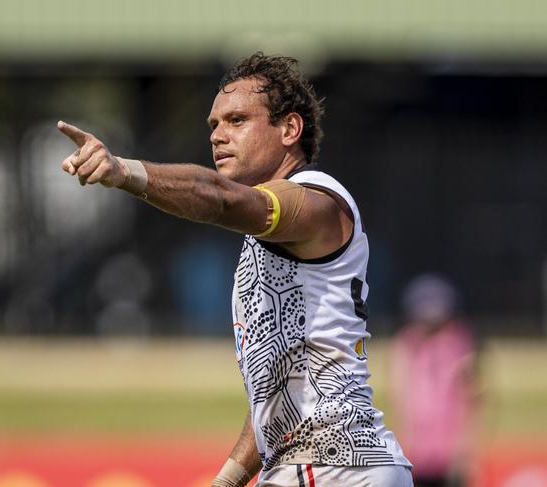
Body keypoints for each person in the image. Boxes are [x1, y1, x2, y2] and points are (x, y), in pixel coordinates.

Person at [57, 52, 413, 487]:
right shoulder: (268, 234)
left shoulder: (315, 199)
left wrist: (123, 172)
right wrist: (227, 479)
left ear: (290, 129)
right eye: (213, 125)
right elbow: (281, 380)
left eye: (237, 120)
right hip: (329, 466)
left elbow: (219, 198)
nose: (218, 136)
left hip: (332, 467)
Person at [390, 274, 479, 487]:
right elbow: (400, 399)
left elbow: (471, 399)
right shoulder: (405, 344)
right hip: (416, 450)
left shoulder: (459, 343)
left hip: (449, 451)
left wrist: (467, 449)